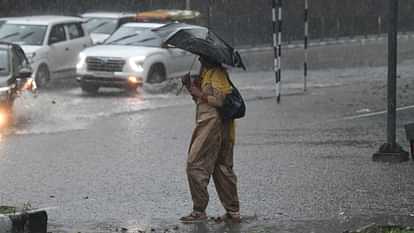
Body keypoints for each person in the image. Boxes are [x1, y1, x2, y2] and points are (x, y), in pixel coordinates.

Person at [180, 56, 240, 224]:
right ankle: (232, 212)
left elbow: (220, 101)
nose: (198, 58)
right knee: (222, 169)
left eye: (201, 56)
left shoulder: (217, 74)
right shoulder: (207, 73)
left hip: (214, 128)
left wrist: (199, 92)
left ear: (209, 57)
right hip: (213, 127)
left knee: (195, 164)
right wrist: (190, 87)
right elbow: (202, 102)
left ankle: (200, 211)